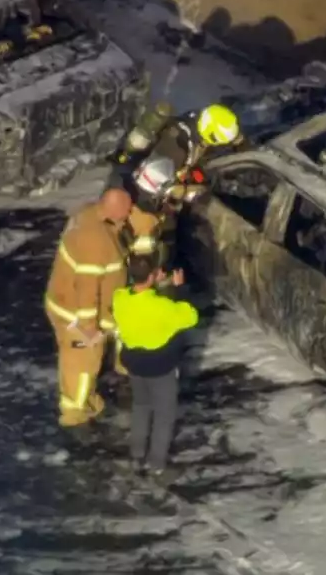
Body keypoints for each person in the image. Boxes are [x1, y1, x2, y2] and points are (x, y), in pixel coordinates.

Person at [44, 187, 157, 434]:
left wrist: (141, 230)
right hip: (75, 314)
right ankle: (75, 416)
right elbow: (87, 285)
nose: (130, 214)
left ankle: (88, 399)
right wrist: (88, 324)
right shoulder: (94, 240)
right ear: (115, 210)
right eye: (127, 210)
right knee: (82, 365)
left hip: (75, 307)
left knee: (88, 364)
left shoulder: (92, 218)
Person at [111, 254, 199, 484]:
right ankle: (157, 466)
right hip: (160, 366)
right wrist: (179, 289)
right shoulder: (163, 307)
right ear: (153, 275)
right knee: (164, 415)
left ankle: (136, 456)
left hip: (134, 364)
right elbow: (190, 317)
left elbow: (142, 299)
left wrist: (154, 284)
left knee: (141, 406)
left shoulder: (120, 298)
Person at [116, 102, 245, 181]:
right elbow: (150, 183)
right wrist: (183, 191)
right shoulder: (177, 148)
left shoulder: (193, 122)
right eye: (220, 141)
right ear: (211, 136)